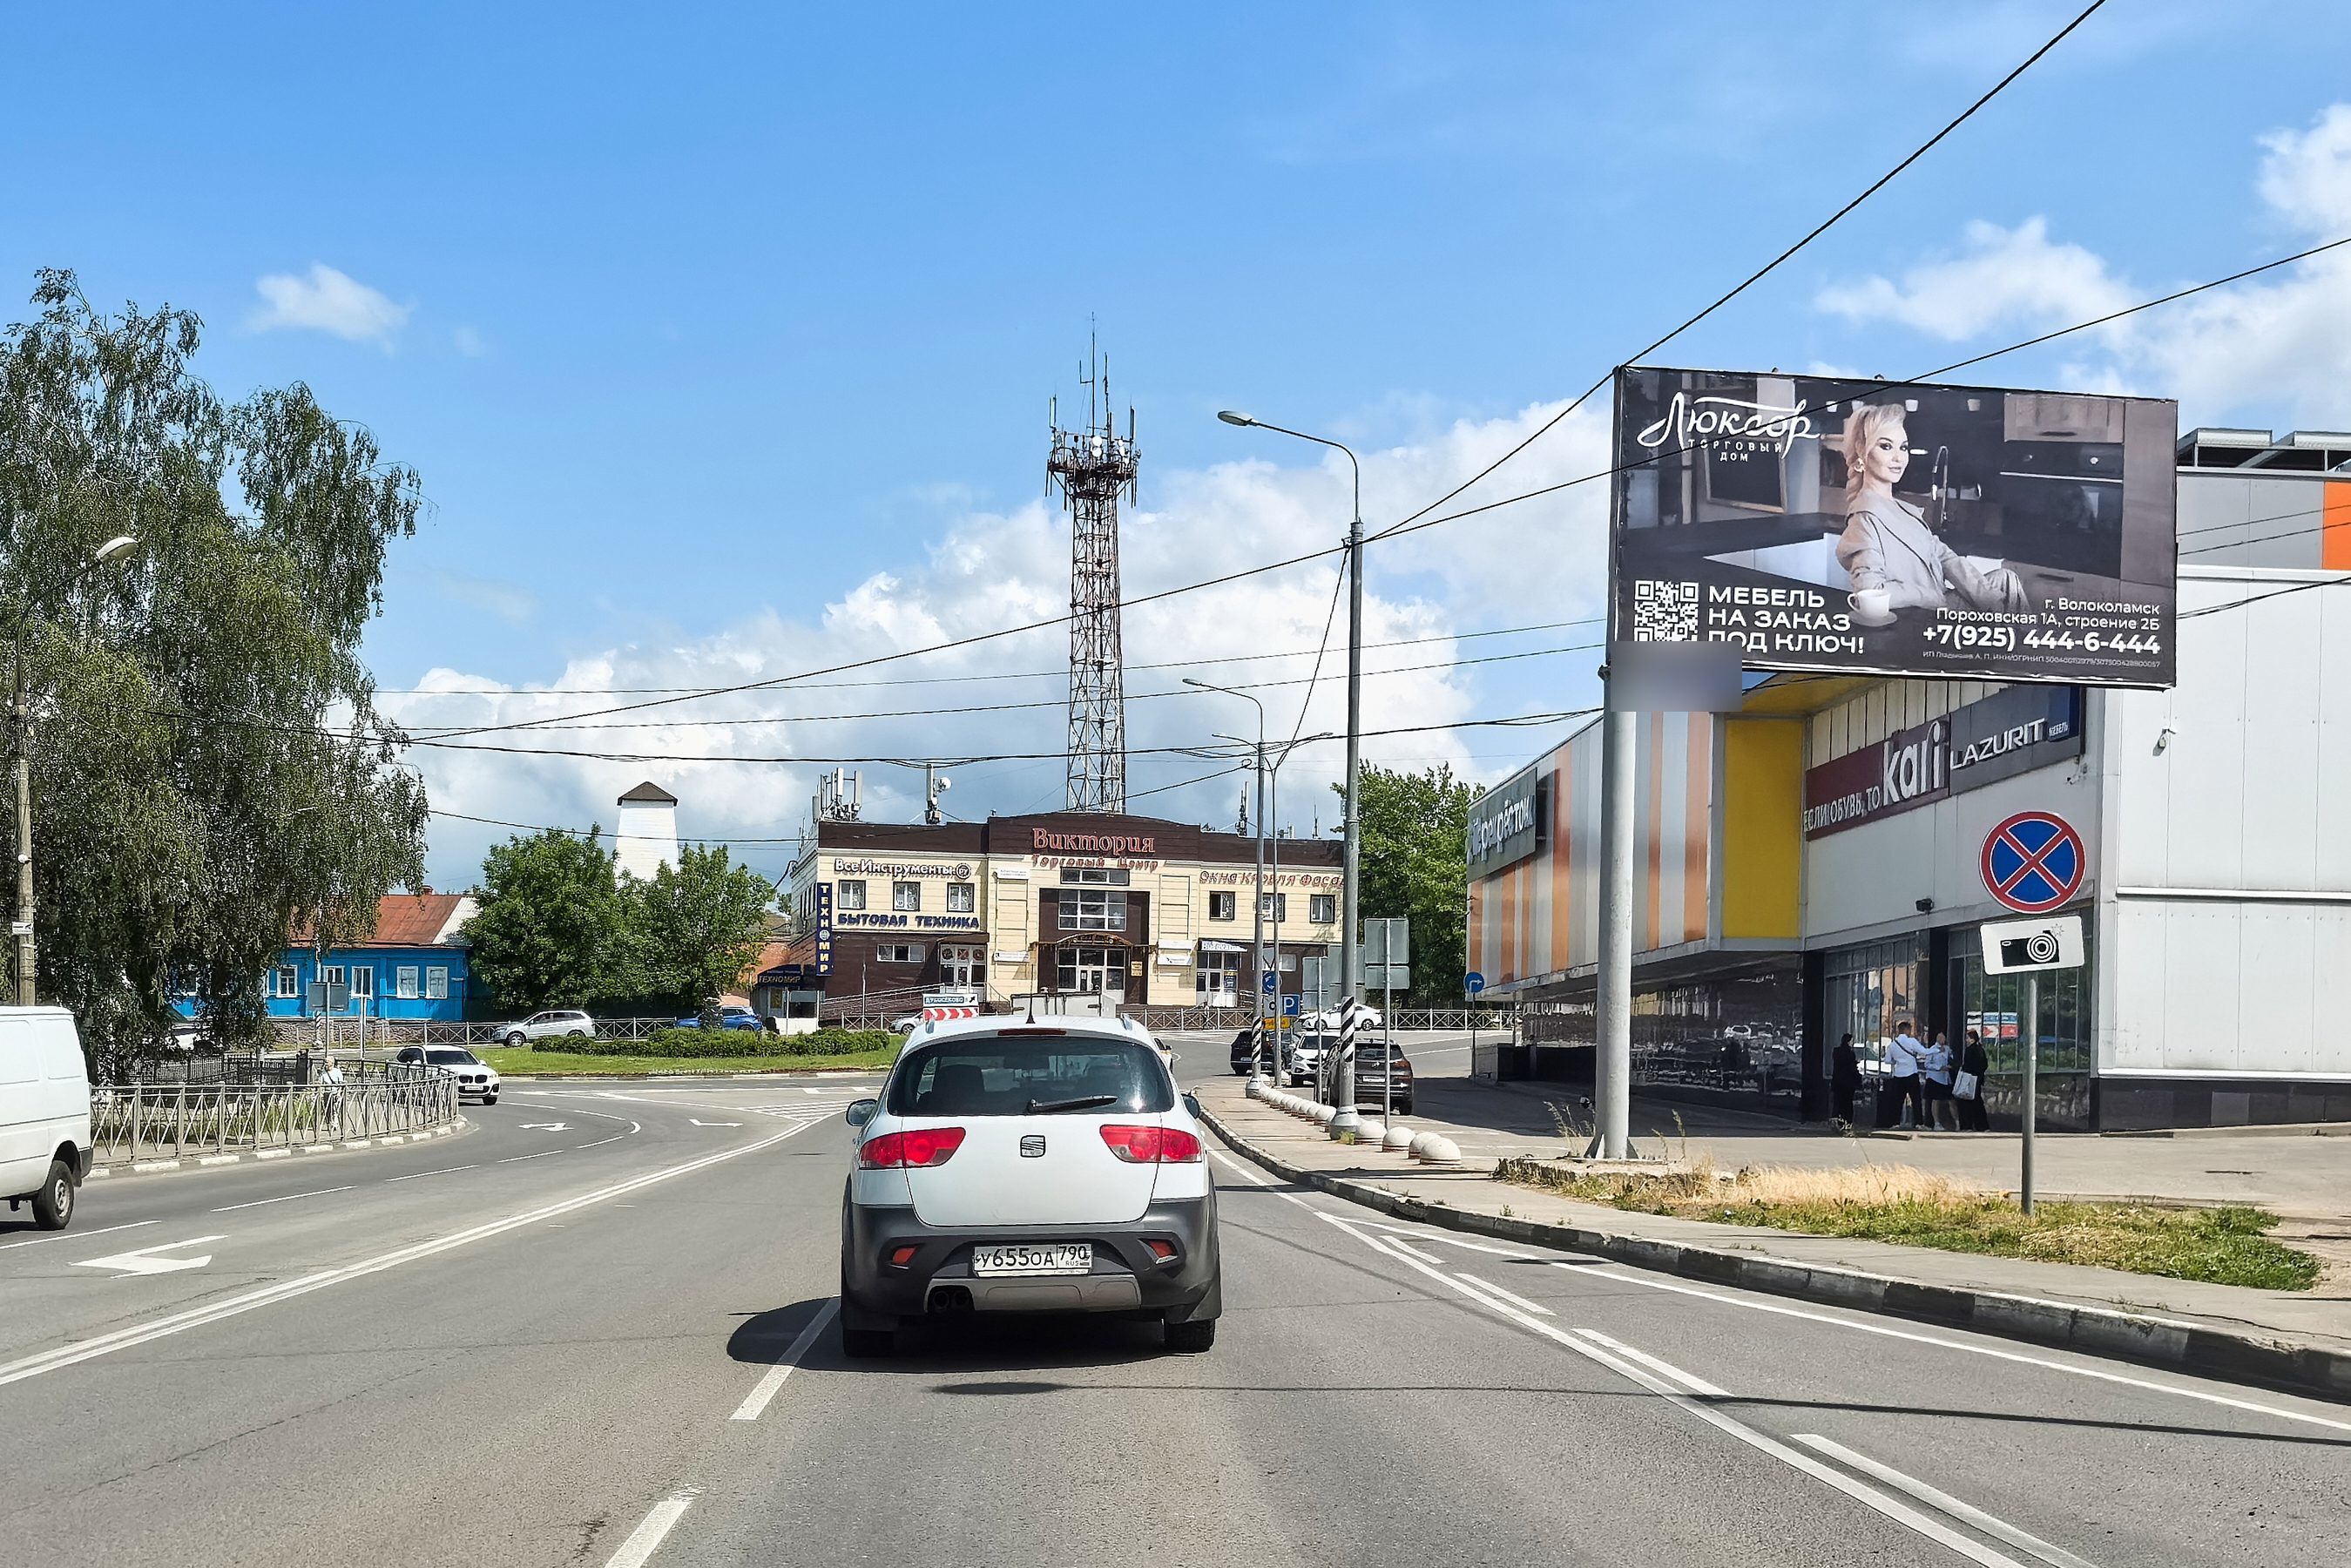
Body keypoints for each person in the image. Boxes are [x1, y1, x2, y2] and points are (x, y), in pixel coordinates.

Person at [1835, 403, 2028, 614]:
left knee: (2006, 579)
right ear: (1862, 455)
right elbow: (1870, 591)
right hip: (1923, 616)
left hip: (1941, 604)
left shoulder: (1904, 509)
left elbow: (1945, 557)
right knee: (2012, 608)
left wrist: (1986, 596)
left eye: (1903, 447)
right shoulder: (1864, 519)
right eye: (1886, 446)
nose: (1899, 458)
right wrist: (1928, 595)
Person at [1885, 1018, 1925, 1130]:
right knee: (1916, 1099)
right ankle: (1918, 1123)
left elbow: (1887, 1060)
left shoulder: (1893, 1045)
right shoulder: (1911, 1042)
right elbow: (1923, 1052)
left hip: (1899, 1074)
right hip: (1911, 1073)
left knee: (1898, 1100)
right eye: (1910, 1029)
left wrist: (1897, 1061)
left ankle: (1895, 1122)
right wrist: (1936, 1050)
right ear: (1907, 1030)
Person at [1920, 1030, 1959, 1132]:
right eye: (1940, 1037)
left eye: (1943, 1037)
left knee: (1952, 1101)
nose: (1942, 1039)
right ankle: (1936, 1123)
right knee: (1935, 1101)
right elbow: (1927, 1064)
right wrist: (1939, 1067)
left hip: (1946, 1079)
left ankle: (1957, 1122)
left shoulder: (1947, 1049)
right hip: (1935, 1078)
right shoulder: (1932, 1049)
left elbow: (1952, 1059)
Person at [1955, 1028, 1991, 1132]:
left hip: (1969, 1080)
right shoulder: (1980, 1050)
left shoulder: (1970, 1050)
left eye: (1967, 1038)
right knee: (1977, 1103)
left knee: (1965, 1103)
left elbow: (1967, 1065)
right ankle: (1982, 1125)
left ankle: (1967, 1125)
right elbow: (1984, 1065)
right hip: (1977, 1080)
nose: (1966, 1040)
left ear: (1972, 1039)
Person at [1830, 1032, 1861, 1130]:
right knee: (1847, 1103)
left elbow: (1838, 1065)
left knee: (1837, 1102)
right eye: (1851, 1041)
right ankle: (1847, 1122)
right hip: (1848, 1082)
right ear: (1848, 1041)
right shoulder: (1850, 1053)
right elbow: (1851, 1068)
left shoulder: (1836, 1051)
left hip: (1837, 1081)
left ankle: (1837, 1121)